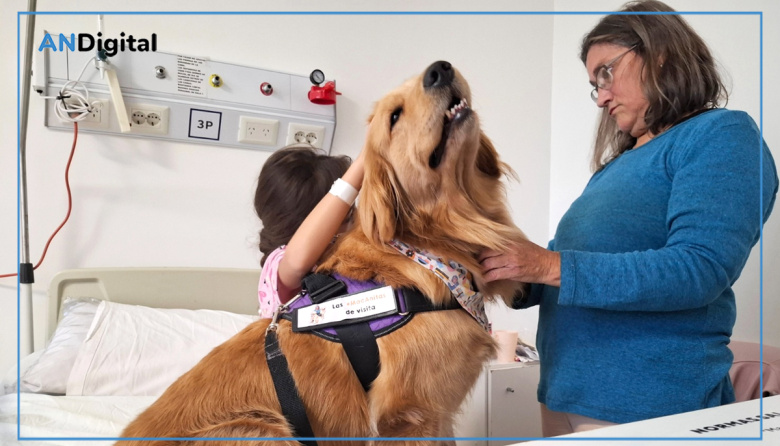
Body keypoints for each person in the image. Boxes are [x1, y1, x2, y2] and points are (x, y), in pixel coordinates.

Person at [479, 0, 778, 437]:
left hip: (649, 403)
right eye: (593, 84)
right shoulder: (615, 167)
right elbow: (573, 278)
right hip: (564, 392)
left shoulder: (721, 135)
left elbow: (699, 268)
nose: (600, 97)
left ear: (659, 54)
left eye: (606, 72)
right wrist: (508, 272)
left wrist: (546, 264)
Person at [254, 144, 364, 318]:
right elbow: (298, 263)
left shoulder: (341, 258)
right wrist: (362, 164)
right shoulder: (283, 263)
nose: (358, 222)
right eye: (348, 218)